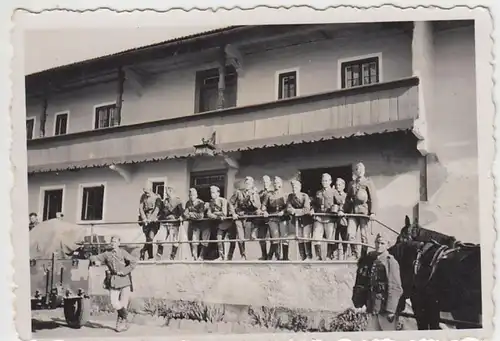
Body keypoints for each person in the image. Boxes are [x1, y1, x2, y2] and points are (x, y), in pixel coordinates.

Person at [354, 233, 403, 331]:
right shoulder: (373, 260)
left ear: (387, 245)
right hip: (373, 305)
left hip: (385, 307)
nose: (379, 245)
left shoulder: (390, 262)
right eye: (377, 242)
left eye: (382, 243)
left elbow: (395, 287)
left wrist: (391, 310)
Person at [90, 235, 137, 332]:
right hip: (114, 281)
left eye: (115, 242)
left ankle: (121, 324)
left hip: (124, 280)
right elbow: (94, 258)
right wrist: (94, 260)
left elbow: (133, 262)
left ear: (119, 243)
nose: (113, 243)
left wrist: (124, 271)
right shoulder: (107, 254)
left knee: (123, 303)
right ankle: (125, 316)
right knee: (114, 302)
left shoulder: (123, 253)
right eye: (112, 241)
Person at [345, 162, 378, 259]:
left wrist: (372, 212)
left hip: (364, 212)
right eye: (357, 169)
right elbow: (348, 199)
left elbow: (373, 198)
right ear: (355, 171)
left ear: (364, 171)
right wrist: (343, 210)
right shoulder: (351, 184)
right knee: (350, 233)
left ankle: (364, 256)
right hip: (353, 212)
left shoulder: (368, 182)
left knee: (364, 235)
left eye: (361, 170)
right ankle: (355, 254)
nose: (359, 171)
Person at [229, 176, 261, 260]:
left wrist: (253, 196)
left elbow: (257, 206)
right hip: (240, 216)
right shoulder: (239, 192)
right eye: (246, 183)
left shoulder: (255, 194)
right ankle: (243, 255)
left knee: (258, 214)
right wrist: (233, 213)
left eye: (249, 183)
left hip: (250, 216)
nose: (247, 185)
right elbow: (230, 202)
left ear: (252, 184)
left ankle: (254, 232)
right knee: (240, 236)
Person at [262, 176, 289, 260]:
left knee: (284, 237)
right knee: (275, 237)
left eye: (277, 182)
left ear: (281, 184)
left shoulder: (285, 195)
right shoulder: (269, 194)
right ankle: (272, 256)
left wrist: (283, 211)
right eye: (274, 183)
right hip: (272, 217)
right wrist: (265, 211)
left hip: (282, 217)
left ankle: (285, 257)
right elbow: (264, 205)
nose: (275, 184)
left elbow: (288, 206)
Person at [206, 185, 236, 261]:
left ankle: (230, 256)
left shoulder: (223, 200)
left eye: (213, 192)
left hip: (229, 222)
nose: (212, 194)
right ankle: (221, 256)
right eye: (211, 193)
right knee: (219, 238)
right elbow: (208, 214)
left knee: (232, 240)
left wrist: (215, 213)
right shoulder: (211, 202)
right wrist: (216, 216)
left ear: (218, 193)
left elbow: (224, 213)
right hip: (220, 223)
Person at [286, 179, 313, 261]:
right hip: (297, 220)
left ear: (300, 188)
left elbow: (307, 209)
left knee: (306, 237)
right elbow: (288, 208)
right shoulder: (290, 197)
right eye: (293, 187)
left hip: (306, 220)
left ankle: (309, 256)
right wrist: (292, 211)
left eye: (296, 187)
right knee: (300, 237)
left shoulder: (305, 196)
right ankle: (302, 256)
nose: (294, 188)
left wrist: (296, 211)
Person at [311, 173, 336, 260]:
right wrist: (312, 209)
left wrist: (338, 209)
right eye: (323, 181)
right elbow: (314, 204)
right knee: (316, 236)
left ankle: (329, 255)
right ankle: (318, 256)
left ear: (330, 181)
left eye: (326, 181)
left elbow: (340, 202)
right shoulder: (318, 192)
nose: (324, 182)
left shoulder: (334, 192)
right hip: (319, 217)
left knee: (330, 237)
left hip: (329, 217)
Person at [157, 186, 184, 261]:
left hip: (174, 224)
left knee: (174, 241)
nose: (166, 193)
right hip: (165, 223)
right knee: (160, 239)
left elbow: (182, 212)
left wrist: (179, 217)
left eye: (167, 192)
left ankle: (172, 257)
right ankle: (158, 256)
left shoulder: (178, 200)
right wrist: (158, 218)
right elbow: (162, 212)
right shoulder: (165, 201)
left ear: (171, 191)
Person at [138, 186, 162, 260]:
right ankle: (150, 256)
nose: (146, 194)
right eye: (145, 193)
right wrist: (144, 218)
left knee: (151, 237)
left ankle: (143, 250)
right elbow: (141, 208)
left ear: (151, 190)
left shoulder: (157, 197)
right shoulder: (143, 197)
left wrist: (151, 219)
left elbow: (157, 209)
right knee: (148, 238)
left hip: (154, 221)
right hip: (145, 221)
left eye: (147, 192)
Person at [184, 188, 207, 260]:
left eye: (193, 195)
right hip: (195, 224)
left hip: (204, 224)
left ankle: (201, 256)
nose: (191, 197)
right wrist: (192, 215)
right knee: (194, 241)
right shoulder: (188, 203)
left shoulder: (201, 203)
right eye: (190, 195)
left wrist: (191, 214)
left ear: (196, 195)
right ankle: (194, 257)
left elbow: (200, 216)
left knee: (204, 241)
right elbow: (185, 214)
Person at [255, 175, 273, 260]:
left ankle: (272, 255)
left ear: (270, 182)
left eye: (267, 182)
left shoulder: (272, 192)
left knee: (274, 237)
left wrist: (266, 211)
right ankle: (264, 255)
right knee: (261, 237)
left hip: (271, 216)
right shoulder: (260, 193)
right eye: (264, 182)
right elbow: (258, 204)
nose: (265, 183)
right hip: (262, 218)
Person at [332, 178, 348, 260]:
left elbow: (348, 206)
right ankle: (335, 256)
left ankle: (345, 255)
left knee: (345, 238)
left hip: (344, 220)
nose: (338, 187)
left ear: (344, 186)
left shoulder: (346, 196)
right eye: (337, 185)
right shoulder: (333, 195)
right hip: (335, 220)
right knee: (335, 238)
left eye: (340, 185)